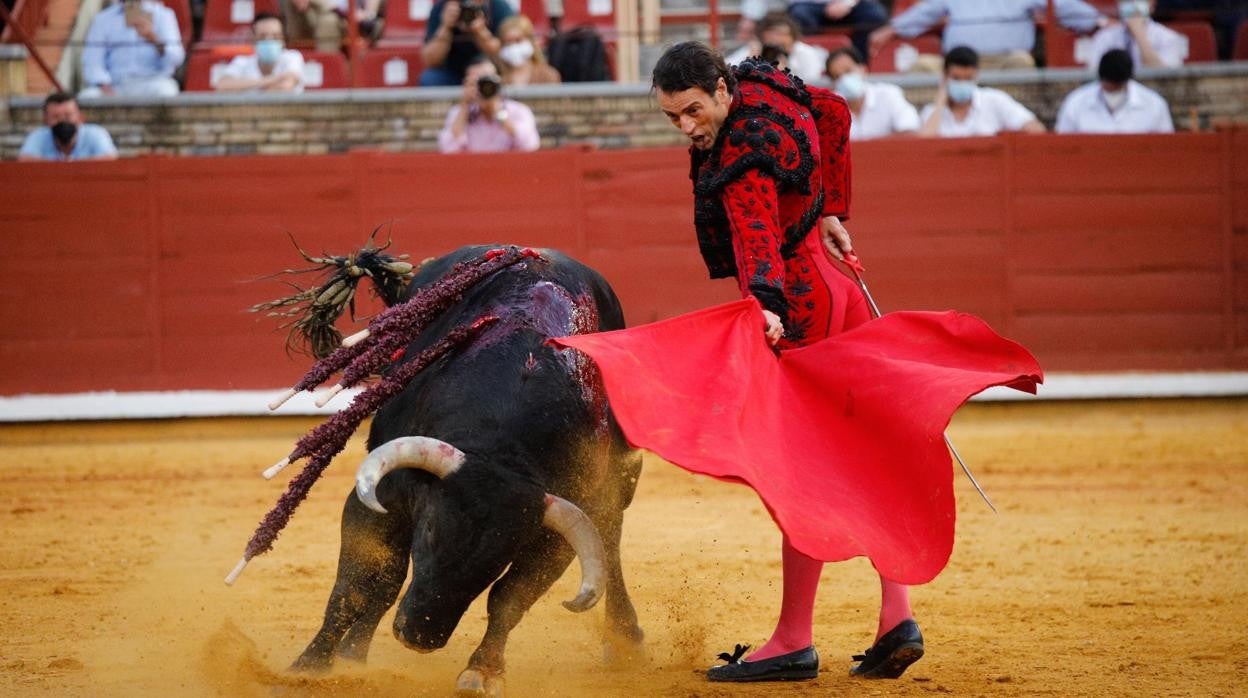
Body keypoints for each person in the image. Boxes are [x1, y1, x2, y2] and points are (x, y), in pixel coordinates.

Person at [651, 41, 923, 683]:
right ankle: (896, 616)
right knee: (861, 453)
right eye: (672, 119)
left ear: (720, 88)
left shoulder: (740, 154)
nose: (687, 128)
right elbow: (833, 111)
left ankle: (794, 639)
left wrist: (766, 306)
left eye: (693, 111)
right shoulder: (767, 90)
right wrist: (829, 208)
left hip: (800, 304)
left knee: (799, 471)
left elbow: (755, 237)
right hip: (839, 287)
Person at [869, 0, 1106, 71]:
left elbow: (1061, 5)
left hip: (1005, 62)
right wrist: (893, 28)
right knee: (922, 66)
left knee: (1022, 63)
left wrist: (1096, 21)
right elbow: (926, 12)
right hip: (957, 65)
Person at [918, 46, 1045, 137]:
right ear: (945, 77)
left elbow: (1035, 129)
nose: (962, 83)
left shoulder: (995, 100)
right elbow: (923, 147)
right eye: (956, 78)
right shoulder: (931, 112)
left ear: (976, 76)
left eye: (968, 78)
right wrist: (940, 102)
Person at [80, 0, 184, 97]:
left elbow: (176, 57)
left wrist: (154, 39)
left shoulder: (163, 15)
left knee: (167, 92)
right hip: (115, 84)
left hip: (153, 81)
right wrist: (104, 85)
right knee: (88, 96)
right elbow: (92, 61)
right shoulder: (102, 19)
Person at [1056, 49, 1174, 133]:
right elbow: (1063, 145)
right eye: (1108, 84)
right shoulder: (1076, 102)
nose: (1112, 89)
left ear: (1127, 80)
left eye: (1117, 85)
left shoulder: (1154, 104)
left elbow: (1165, 147)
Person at [437, 56, 540, 153]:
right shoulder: (458, 113)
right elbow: (446, 148)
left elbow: (530, 145)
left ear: (499, 82)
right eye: (476, 83)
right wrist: (464, 106)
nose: (483, 88)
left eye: (487, 82)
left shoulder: (519, 111)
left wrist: (498, 112)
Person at [736, 0, 887, 59]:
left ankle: (859, 62)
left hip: (846, 6)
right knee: (800, 17)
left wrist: (846, 3)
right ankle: (809, 60)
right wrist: (750, 18)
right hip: (805, 6)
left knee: (874, 15)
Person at [825, 46, 920, 139]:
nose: (844, 79)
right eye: (837, 77)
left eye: (848, 71)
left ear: (863, 69)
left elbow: (910, 132)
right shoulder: (830, 109)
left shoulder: (889, 94)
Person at [420, 0, 514, 87]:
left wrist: (480, 31)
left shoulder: (498, 7)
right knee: (430, 78)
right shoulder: (442, 8)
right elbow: (430, 61)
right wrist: (445, 27)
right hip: (452, 72)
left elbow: (507, 56)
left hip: (490, 71)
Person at [725, 12, 829, 85]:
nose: (776, 39)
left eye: (781, 34)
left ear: (792, 37)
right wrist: (751, 59)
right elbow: (727, 69)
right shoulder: (757, 49)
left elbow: (812, 82)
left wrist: (784, 73)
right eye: (771, 35)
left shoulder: (806, 52)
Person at [215, 13, 305, 93]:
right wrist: (273, 79)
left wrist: (246, 86)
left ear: (283, 40)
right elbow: (222, 86)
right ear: (253, 40)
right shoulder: (242, 61)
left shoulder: (293, 57)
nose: (269, 40)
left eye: (275, 36)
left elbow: (285, 87)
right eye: (263, 36)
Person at [1084, 0, 1189, 69]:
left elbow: (1166, 80)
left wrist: (1138, 33)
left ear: (1152, 5)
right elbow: (1093, 75)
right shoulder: (1104, 37)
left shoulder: (1168, 38)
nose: (1133, 4)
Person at [19, 92, 118, 161]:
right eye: (56, 117)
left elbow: (110, 158)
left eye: (68, 115)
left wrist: (71, 165)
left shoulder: (95, 134)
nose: (62, 121)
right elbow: (25, 159)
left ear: (80, 117)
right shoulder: (38, 136)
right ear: (46, 120)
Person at [497, 15, 560, 86]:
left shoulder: (548, 75)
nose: (513, 47)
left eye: (518, 40)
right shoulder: (500, 80)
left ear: (530, 41)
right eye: (508, 43)